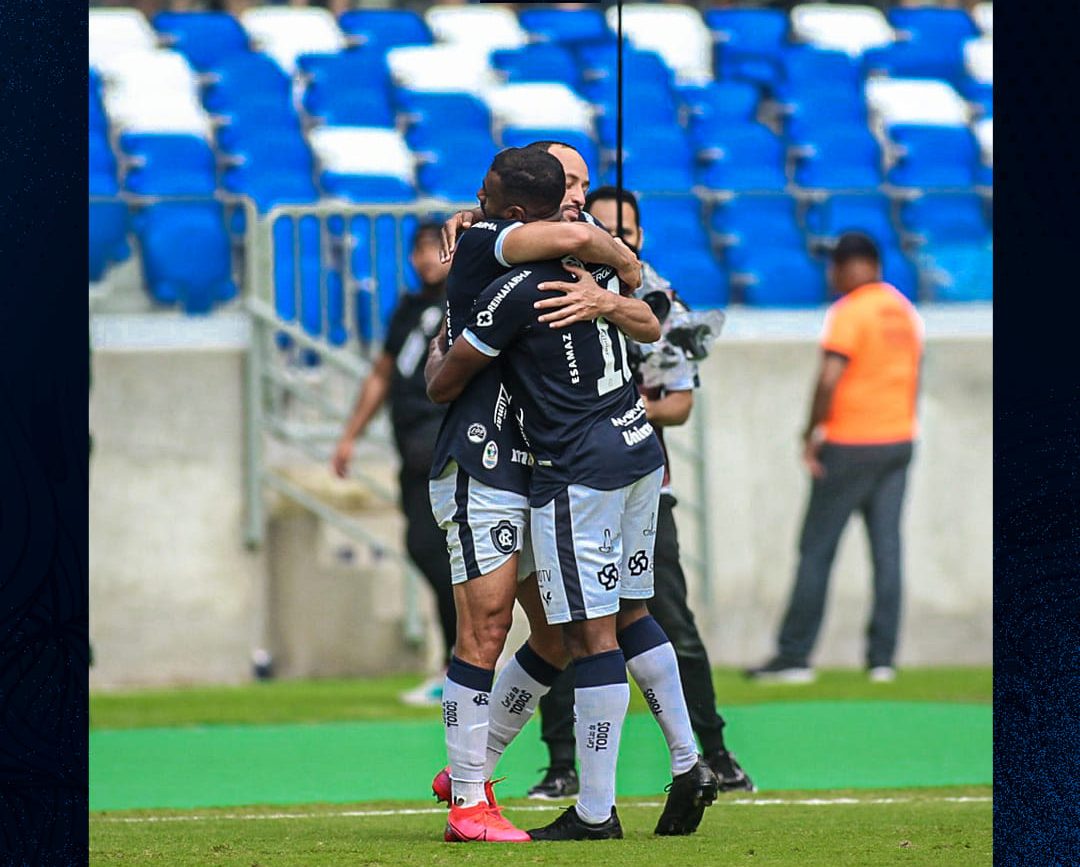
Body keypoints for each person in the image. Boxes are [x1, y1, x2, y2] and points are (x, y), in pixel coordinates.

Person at [427, 151, 720, 842]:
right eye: (572, 185)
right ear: (533, 204)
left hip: (573, 466)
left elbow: (656, 321)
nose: (580, 198)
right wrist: (616, 263)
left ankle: (547, 783)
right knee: (510, 626)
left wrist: (612, 290)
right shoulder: (513, 252)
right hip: (497, 460)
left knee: (583, 629)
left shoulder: (576, 256)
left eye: (585, 185)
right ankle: (479, 791)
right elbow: (444, 379)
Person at [527, 187, 755, 800]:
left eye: (626, 227)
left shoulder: (659, 300)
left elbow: (677, 401)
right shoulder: (556, 277)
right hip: (573, 477)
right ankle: (562, 763)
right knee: (567, 623)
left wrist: (616, 406)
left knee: (664, 620)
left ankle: (711, 750)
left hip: (635, 485)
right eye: (604, 224)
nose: (616, 234)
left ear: (641, 234)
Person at [746, 232, 924, 684]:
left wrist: (811, 432)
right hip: (898, 441)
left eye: (835, 266)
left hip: (849, 443)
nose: (831, 275)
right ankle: (882, 660)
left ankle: (794, 657)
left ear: (852, 266)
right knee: (887, 551)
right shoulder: (904, 311)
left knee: (816, 551)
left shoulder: (850, 312)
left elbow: (829, 378)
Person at [331, 222, 455, 706]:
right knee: (425, 548)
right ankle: (460, 665)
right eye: (418, 251)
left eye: (434, 249)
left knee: (445, 557)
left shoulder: (468, 298)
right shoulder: (407, 308)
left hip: (451, 450)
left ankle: (460, 668)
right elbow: (383, 373)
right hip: (412, 454)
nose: (426, 259)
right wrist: (349, 437)